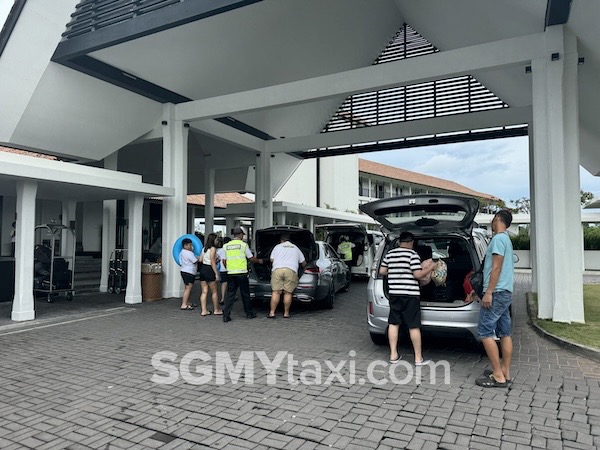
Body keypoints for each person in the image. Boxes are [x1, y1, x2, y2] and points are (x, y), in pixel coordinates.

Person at [379, 231, 438, 365]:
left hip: (394, 294)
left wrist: (395, 272)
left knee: (394, 323)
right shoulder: (413, 254)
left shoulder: (390, 254)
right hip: (410, 294)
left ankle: (393, 355)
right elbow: (418, 275)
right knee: (413, 325)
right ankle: (418, 358)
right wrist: (431, 267)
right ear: (411, 243)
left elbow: (382, 271)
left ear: (399, 242)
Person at [476, 209, 515, 388]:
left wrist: (489, 292)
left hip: (497, 292)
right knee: (504, 332)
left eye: (493, 220)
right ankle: (505, 371)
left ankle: (497, 374)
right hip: (505, 292)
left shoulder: (498, 239)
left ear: (497, 219)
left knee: (484, 332)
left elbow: (496, 268)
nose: (491, 224)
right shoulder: (506, 239)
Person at [221, 227, 264, 322]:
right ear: (240, 235)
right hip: (242, 273)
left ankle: (226, 315)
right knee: (245, 294)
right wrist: (259, 261)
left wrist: (228, 268)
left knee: (230, 294)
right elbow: (251, 258)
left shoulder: (226, 246)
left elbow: (224, 261)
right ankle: (249, 313)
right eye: (242, 235)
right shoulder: (243, 245)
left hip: (231, 273)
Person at [267, 233, 306, 319]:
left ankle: (272, 312)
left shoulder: (277, 247)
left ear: (281, 240)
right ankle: (286, 313)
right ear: (289, 240)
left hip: (277, 270)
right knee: (288, 293)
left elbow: (271, 259)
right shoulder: (295, 248)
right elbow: (303, 262)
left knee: (276, 292)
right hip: (290, 270)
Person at [197, 233, 223, 316]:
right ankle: (216, 309)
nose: (217, 241)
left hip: (203, 269)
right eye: (216, 239)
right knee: (214, 292)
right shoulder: (213, 249)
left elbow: (200, 259)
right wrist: (216, 273)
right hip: (209, 269)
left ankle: (204, 310)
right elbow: (212, 261)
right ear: (213, 240)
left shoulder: (204, 248)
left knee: (204, 291)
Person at [179, 238, 200, 310]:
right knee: (188, 288)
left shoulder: (182, 252)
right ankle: (184, 304)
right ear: (185, 245)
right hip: (189, 272)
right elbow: (195, 261)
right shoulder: (189, 253)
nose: (191, 246)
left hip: (184, 271)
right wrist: (199, 258)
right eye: (190, 245)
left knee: (187, 288)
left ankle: (187, 302)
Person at [216, 236, 230, 306]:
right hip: (227, 268)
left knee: (224, 284)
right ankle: (227, 297)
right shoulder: (225, 249)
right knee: (229, 283)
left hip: (221, 269)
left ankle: (222, 298)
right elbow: (224, 260)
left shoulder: (218, 250)